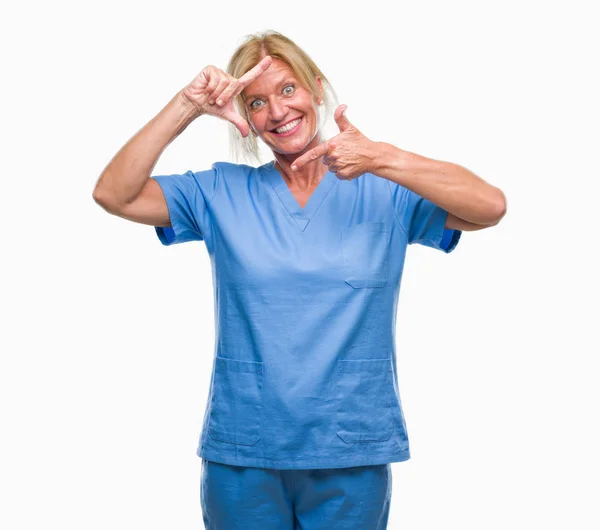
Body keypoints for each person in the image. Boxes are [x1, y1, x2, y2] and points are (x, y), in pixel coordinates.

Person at [93, 30, 506, 530]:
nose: (277, 111)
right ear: (245, 116)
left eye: (288, 90)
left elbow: (490, 206)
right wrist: (187, 105)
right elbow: (114, 194)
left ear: (315, 88)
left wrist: (382, 157)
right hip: (245, 450)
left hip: (350, 449)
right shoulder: (222, 191)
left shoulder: (385, 192)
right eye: (257, 102)